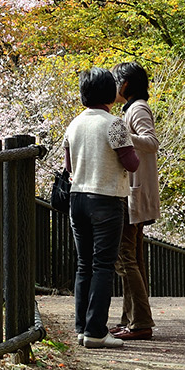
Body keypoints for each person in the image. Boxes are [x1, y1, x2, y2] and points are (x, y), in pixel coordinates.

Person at [63, 67, 139, 349]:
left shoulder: (73, 124)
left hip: (77, 198)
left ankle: (82, 327)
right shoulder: (114, 124)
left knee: (84, 265)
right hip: (106, 199)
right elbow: (131, 163)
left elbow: (68, 166)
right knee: (103, 266)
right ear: (110, 92)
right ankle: (96, 331)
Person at [111, 62, 160, 340]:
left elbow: (151, 142)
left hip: (135, 193)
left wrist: (121, 135)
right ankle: (131, 319)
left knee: (126, 259)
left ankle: (140, 322)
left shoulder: (138, 108)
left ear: (126, 84)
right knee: (133, 260)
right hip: (134, 191)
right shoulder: (131, 108)